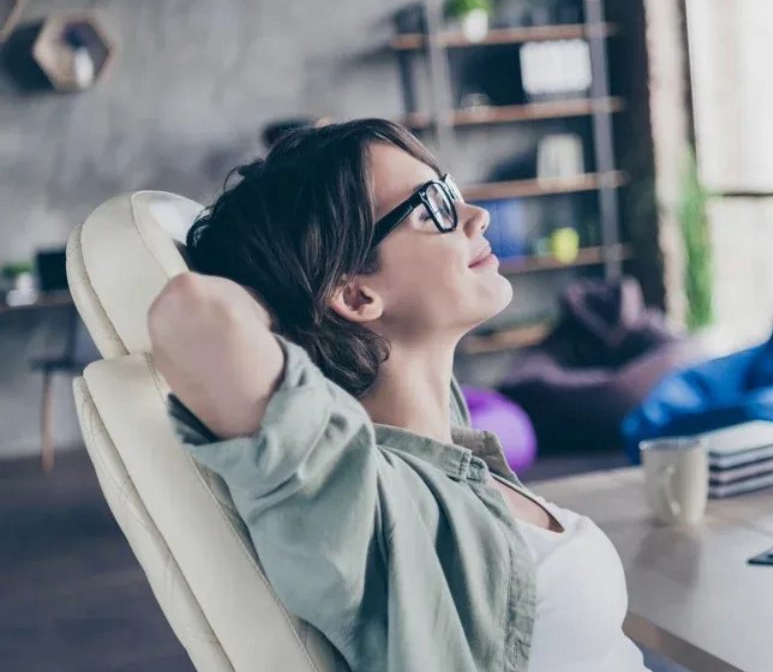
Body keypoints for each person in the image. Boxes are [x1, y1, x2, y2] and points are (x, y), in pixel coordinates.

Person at [148, 119, 650, 672]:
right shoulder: (358, 498)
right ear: (356, 292)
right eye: (430, 207)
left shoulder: (445, 440)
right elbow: (193, 310)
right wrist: (291, 294)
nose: (475, 215)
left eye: (450, 190)